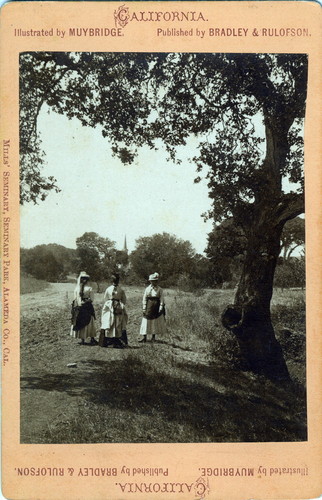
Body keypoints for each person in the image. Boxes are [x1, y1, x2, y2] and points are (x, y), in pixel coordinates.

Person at [99, 273, 128, 348]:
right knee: (108, 321)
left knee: (117, 322)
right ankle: (107, 340)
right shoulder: (108, 289)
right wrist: (109, 304)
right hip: (109, 306)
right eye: (114, 280)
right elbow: (105, 298)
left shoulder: (121, 290)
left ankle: (116, 341)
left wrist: (120, 305)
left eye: (116, 280)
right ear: (112, 280)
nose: (115, 282)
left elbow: (124, 300)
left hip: (118, 307)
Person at [70, 271, 97, 345]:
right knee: (89, 322)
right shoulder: (89, 288)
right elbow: (91, 299)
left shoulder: (76, 289)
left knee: (80, 322)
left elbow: (75, 299)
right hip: (87, 308)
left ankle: (83, 339)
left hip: (79, 308)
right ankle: (92, 338)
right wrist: (85, 301)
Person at [139, 272, 166, 343]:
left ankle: (153, 337)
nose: (154, 282)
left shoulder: (160, 289)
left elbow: (162, 299)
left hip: (156, 306)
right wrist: (144, 307)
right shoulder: (147, 289)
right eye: (152, 281)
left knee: (154, 321)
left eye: (155, 281)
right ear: (150, 281)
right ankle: (144, 337)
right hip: (149, 306)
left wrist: (161, 307)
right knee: (145, 320)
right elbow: (144, 298)